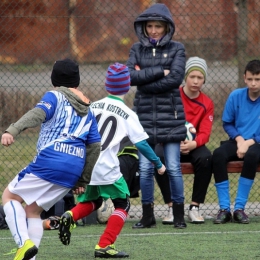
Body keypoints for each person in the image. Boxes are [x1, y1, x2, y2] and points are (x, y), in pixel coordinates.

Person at [58, 63, 165, 258]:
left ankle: (70, 216)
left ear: (107, 86)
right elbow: (141, 145)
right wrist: (158, 163)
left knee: (95, 200)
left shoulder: (91, 106)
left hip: (87, 165)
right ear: (127, 86)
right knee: (122, 204)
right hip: (107, 167)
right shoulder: (128, 114)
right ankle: (104, 245)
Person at [1, 58, 101, 260]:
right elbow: (95, 147)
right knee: (33, 211)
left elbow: (37, 113)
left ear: (55, 79)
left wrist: (13, 129)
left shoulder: (54, 96)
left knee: (9, 198)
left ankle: (23, 244)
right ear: (77, 81)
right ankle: (30, 258)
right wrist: (82, 179)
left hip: (51, 160)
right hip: (73, 168)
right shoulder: (88, 109)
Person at [126, 3, 187, 229]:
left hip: (171, 117)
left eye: (158, 26)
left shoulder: (178, 48)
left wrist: (145, 78)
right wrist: (161, 71)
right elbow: (130, 77)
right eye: (149, 26)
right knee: (146, 169)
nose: (153, 30)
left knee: (172, 167)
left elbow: (176, 79)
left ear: (166, 27)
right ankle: (147, 216)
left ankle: (179, 216)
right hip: (143, 118)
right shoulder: (136, 49)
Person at [154, 57, 214, 224]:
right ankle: (172, 206)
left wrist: (194, 143)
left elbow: (205, 132)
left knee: (206, 157)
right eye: (192, 76)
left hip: (193, 145)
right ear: (185, 77)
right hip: (170, 142)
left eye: (200, 78)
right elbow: (161, 122)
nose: (195, 81)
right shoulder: (172, 96)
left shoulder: (207, 103)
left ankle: (194, 207)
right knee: (158, 157)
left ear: (204, 80)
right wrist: (173, 141)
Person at [212, 59, 260, 224]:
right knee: (217, 155)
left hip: (257, 144)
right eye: (250, 79)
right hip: (237, 140)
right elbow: (227, 123)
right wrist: (240, 140)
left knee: (252, 156)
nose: (253, 83)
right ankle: (224, 209)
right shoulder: (235, 96)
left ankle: (239, 209)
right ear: (245, 78)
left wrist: (248, 143)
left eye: (258, 79)